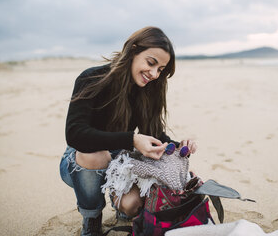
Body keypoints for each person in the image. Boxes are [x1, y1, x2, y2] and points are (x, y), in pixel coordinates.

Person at [59, 26, 197, 236]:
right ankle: (92, 218)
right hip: (80, 164)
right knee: (96, 154)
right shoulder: (92, 78)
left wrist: (178, 146)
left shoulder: (148, 89)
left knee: (131, 204)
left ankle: (121, 209)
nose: (153, 74)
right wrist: (132, 140)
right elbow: (75, 134)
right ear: (133, 51)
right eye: (151, 63)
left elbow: (154, 134)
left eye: (160, 69)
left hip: (119, 163)